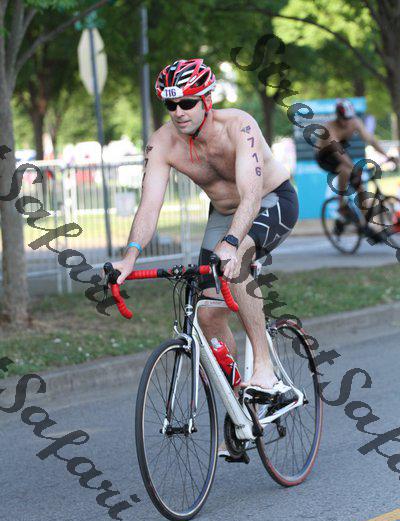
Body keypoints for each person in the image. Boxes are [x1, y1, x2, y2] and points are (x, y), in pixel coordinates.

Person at [110, 58, 298, 401]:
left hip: (270, 201)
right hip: (223, 213)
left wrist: (231, 242)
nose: (178, 112)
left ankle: (265, 369)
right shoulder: (162, 143)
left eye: (187, 102)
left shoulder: (239, 125)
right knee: (207, 313)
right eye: (171, 105)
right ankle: (241, 410)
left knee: (237, 259)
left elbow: (251, 195)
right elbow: (149, 206)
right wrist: (129, 257)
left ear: (206, 100)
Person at [315, 99, 396, 233]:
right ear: (338, 116)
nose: (346, 122)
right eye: (344, 119)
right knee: (345, 169)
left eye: (349, 118)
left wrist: (386, 156)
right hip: (325, 156)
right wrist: (354, 167)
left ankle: (366, 225)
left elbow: (370, 139)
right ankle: (341, 206)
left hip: (341, 152)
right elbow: (339, 153)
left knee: (360, 188)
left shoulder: (355, 122)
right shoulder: (330, 128)